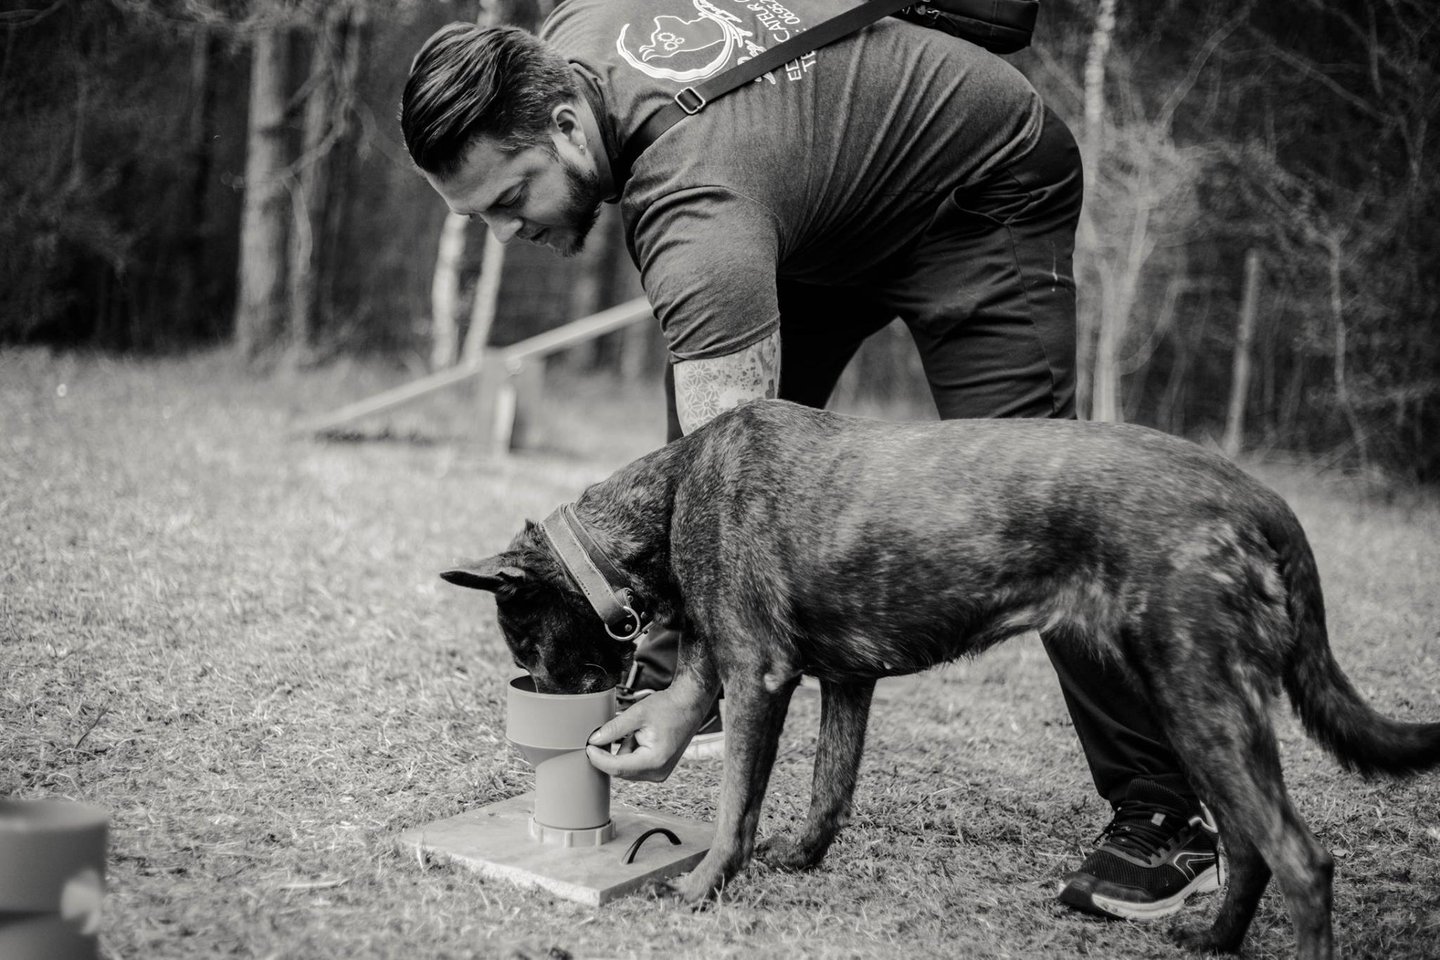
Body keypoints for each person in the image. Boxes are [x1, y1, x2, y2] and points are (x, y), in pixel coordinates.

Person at [401, 0, 1221, 920]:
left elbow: (736, 509)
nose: (504, 232)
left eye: (512, 199)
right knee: (692, 451)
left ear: (565, 125)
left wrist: (704, 681)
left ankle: (1165, 815)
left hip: (977, 187)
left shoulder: (697, 220)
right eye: (478, 213)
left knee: (1044, 511)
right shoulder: (564, 38)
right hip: (822, 209)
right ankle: (692, 676)